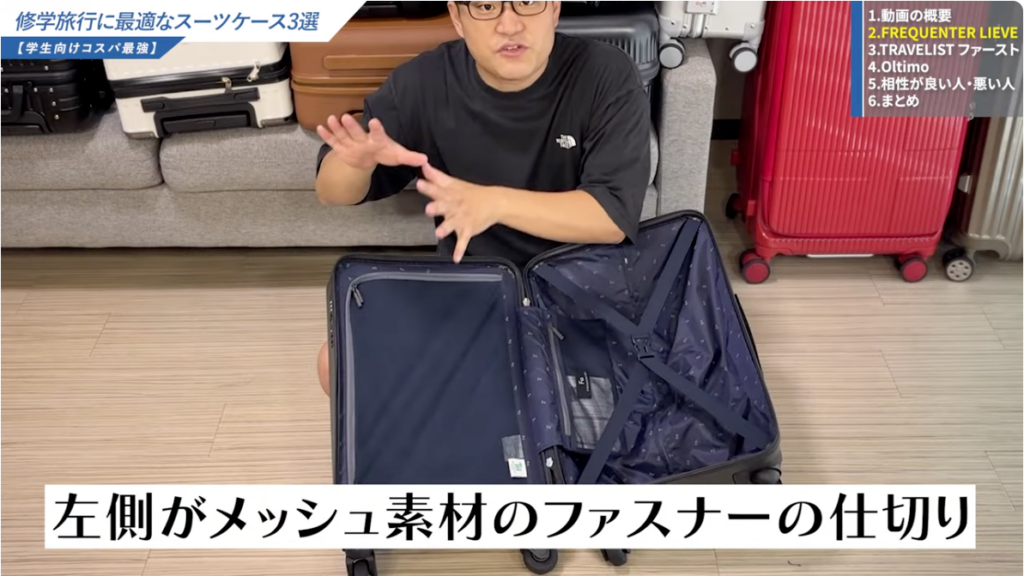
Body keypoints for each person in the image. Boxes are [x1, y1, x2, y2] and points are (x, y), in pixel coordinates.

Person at [315, 0, 652, 395]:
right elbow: (331, 192)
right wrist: (355, 163)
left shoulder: (605, 73)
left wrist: (494, 203)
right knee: (335, 362)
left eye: (527, 3)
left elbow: (611, 217)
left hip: (580, 292)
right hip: (472, 288)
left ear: (554, 9)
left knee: (562, 402)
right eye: (486, 6)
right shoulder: (425, 81)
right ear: (457, 17)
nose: (509, 25)